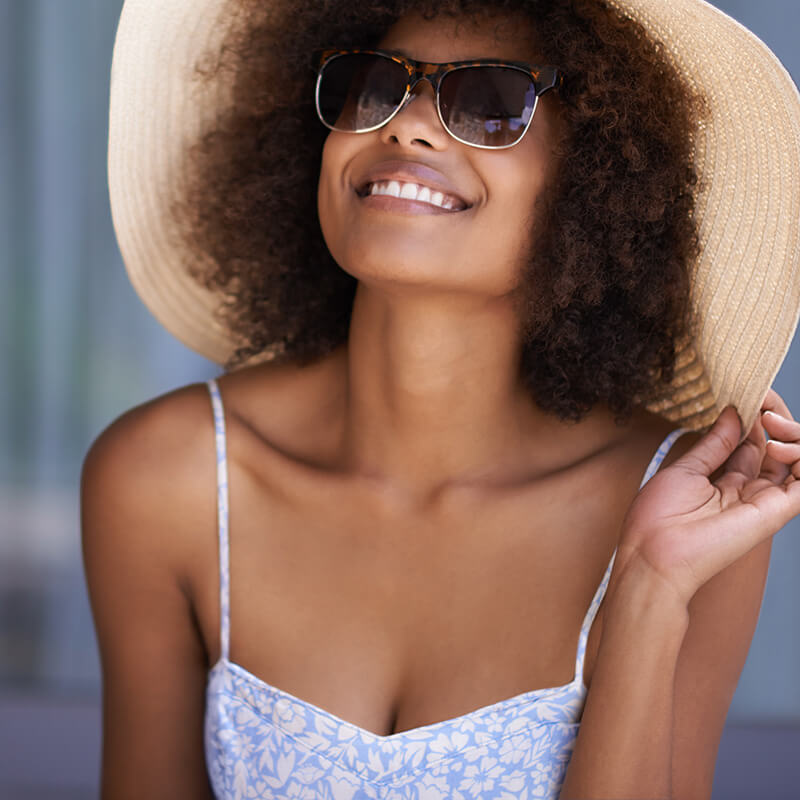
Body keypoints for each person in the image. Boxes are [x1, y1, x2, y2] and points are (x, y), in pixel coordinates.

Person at [84, 0, 800, 797]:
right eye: (372, 85)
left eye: (491, 104)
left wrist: (651, 590)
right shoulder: (165, 480)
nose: (407, 128)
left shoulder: (683, 513)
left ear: (598, 177)